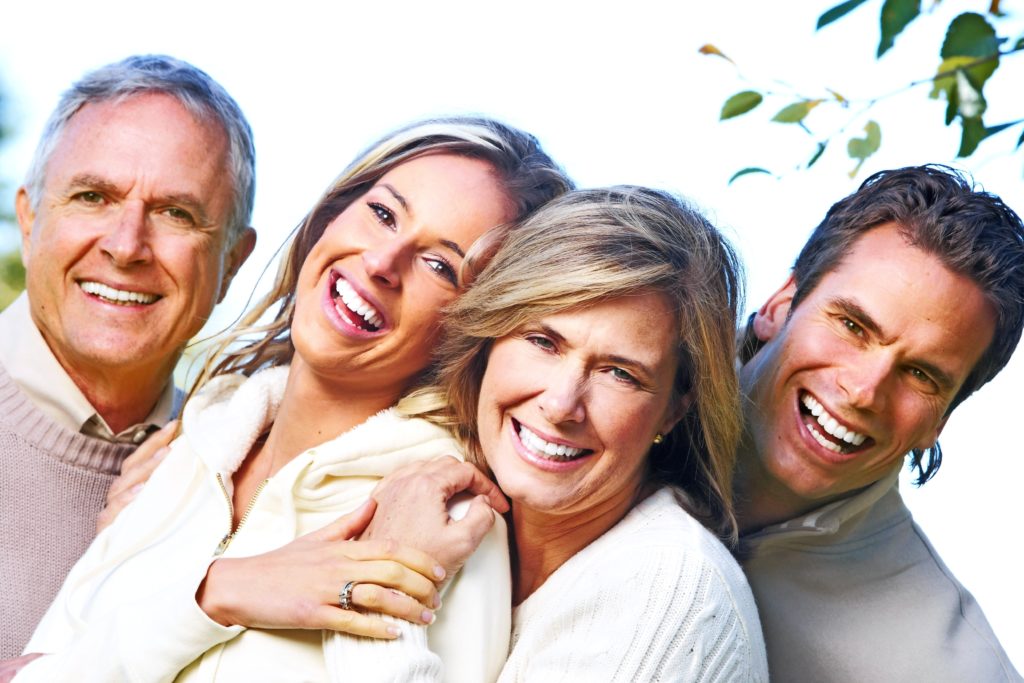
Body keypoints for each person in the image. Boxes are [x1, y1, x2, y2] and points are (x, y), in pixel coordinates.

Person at [13, 117, 572, 682]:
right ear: (329, 218)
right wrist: (217, 593)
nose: (382, 262)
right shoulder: (189, 450)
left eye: (440, 266)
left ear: (472, 327)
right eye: (382, 215)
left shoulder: (447, 522)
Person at [386, 186, 769, 681]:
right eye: (543, 341)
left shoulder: (670, 594)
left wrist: (385, 588)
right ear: (490, 334)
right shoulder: (423, 479)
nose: (561, 404)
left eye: (620, 374)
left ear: (675, 409)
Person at [0, 54, 257, 659]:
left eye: (176, 213)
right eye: (93, 197)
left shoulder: (235, 487)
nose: (126, 246)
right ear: (30, 218)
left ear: (233, 263)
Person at [734, 165, 1024, 681]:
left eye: (920, 374)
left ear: (942, 420)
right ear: (781, 303)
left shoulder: (948, 670)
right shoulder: (603, 403)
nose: (864, 391)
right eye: (852, 325)